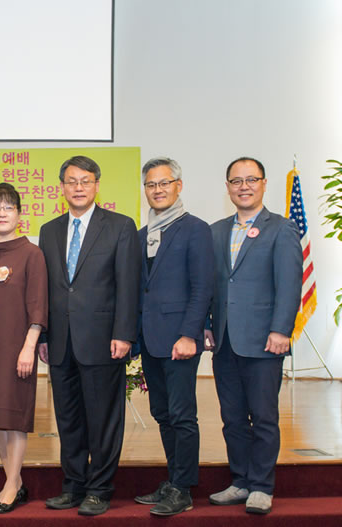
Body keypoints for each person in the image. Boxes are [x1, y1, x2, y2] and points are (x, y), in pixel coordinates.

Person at [38, 155, 142, 516]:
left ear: (97, 185)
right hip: (60, 342)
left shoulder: (120, 226)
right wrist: (43, 337)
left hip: (103, 340)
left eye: (85, 181)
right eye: (71, 181)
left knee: (103, 419)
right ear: (62, 187)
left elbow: (129, 284)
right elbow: (46, 289)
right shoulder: (49, 230)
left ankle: (100, 488)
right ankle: (73, 485)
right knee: (67, 419)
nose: (78, 188)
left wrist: (124, 333)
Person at [204, 157, 302, 515]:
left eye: (251, 179)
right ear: (227, 187)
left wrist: (281, 330)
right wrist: (205, 324)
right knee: (232, 418)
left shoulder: (282, 228)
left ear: (263, 184)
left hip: (264, 341)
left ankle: (261, 485)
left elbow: (290, 284)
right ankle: (241, 480)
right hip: (224, 340)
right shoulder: (215, 231)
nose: (243, 187)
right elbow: (209, 285)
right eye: (236, 181)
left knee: (263, 417)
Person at [133, 157, 213, 516]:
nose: (157, 190)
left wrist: (189, 334)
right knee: (162, 413)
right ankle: (173, 479)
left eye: (164, 183)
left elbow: (202, 287)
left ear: (178, 186)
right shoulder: (142, 235)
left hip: (180, 340)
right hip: (151, 340)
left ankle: (183, 488)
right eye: (151, 184)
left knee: (182, 415)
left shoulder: (195, 229)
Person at [0, 183, 48, 514]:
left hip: (17, 350)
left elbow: (38, 306)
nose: (1, 213)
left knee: (15, 418)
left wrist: (29, 347)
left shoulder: (32, 254)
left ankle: (11, 486)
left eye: (8, 207)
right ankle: (13, 482)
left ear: (19, 214)